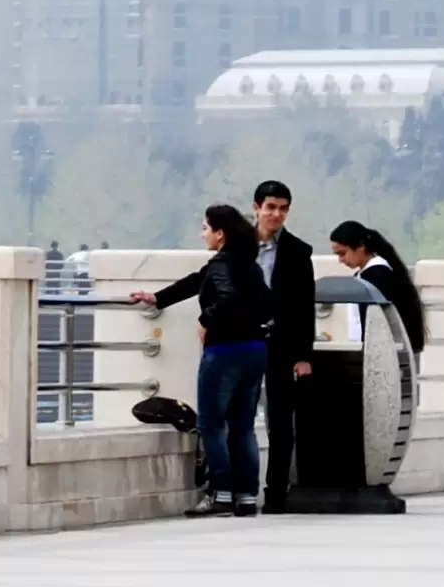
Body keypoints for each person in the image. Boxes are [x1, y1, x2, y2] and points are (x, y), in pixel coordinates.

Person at [134, 203, 270, 515]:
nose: (202, 233)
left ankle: (221, 493)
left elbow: (224, 298)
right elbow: (198, 281)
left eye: (206, 228)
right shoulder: (249, 265)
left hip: (225, 352)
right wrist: (158, 298)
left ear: (220, 234)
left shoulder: (222, 264)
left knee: (211, 422)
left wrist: (207, 322)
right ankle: (246, 496)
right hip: (254, 350)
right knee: (243, 426)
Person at [247, 181, 320, 511]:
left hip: (280, 346)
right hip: (241, 342)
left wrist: (303, 355)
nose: (276, 214)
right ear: (256, 207)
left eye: (282, 208)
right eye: (270, 207)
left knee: (280, 422)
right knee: (239, 420)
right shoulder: (237, 245)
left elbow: (305, 306)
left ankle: (275, 493)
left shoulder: (298, 251)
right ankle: (241, 490)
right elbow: (211, 281)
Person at [326, 220, 428, 355]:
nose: (341, 260)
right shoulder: (366, 274)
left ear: (360, 246)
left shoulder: (377, 276)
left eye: (343, 253)